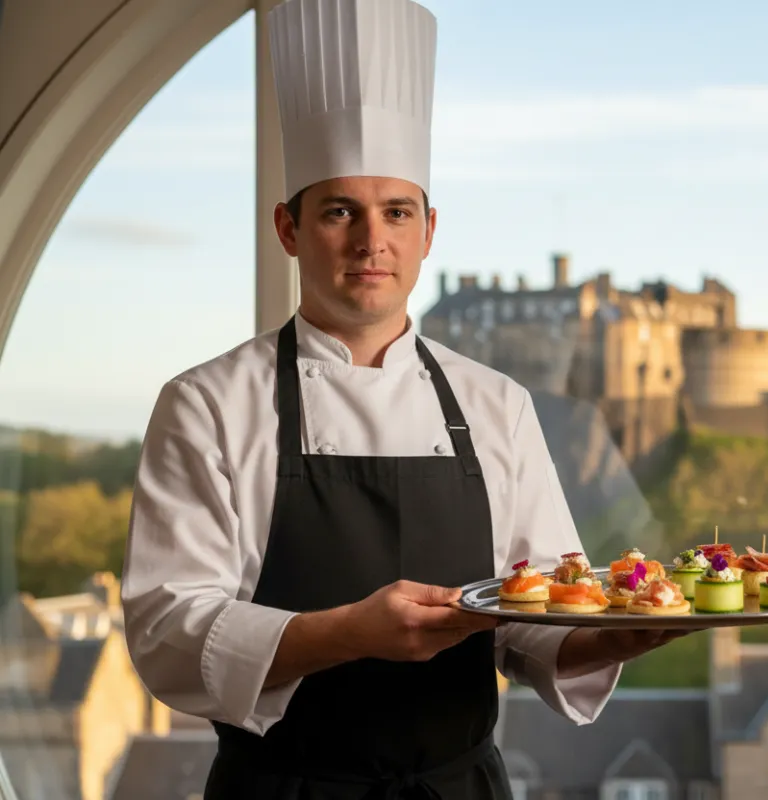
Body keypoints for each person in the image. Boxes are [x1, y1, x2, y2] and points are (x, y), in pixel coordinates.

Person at [120, 0, 687, 797]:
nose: (370, 241)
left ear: (429, 230)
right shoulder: (206, 404)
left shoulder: (496, 405)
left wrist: (631, 634)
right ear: (288, 227)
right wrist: (347, 633)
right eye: (339, 211)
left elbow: (543, 621)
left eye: (396, 212)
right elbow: (166, 632)